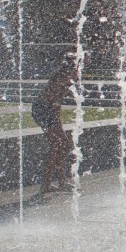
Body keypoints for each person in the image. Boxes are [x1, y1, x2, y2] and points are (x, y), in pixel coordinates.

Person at [32, 57, 78, 194]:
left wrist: (58, 122)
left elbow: (56, 104)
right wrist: (55, 122)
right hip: (43, 111)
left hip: (47, 111)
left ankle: (60, 181)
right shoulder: (62, 79)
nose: (78, 73)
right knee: (57, 145)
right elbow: (52, 102)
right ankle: (46, 184)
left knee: (63, 144)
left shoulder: (64, 79)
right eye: (76, 69)